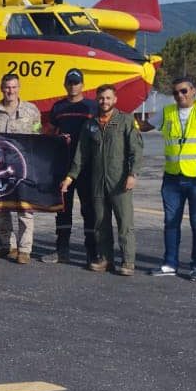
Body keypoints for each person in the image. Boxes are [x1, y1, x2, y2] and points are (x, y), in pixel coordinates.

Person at [60, 83, 142, 275]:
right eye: (101, 98)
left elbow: (136, 150)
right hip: (97, 181)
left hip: (120, 180)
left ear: (115, 99)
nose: (104, 101)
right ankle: (105, 259)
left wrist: (132, 174)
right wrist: (70, 177)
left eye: (108, 98)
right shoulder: (90, 124)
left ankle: (128, 262)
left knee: (124, 223)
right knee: (100, 222)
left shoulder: (126, 121)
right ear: (97, 100)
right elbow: (81, 154)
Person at [143, 76, 196, 280]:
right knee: (171, 223)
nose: (180, 95)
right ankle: (169, 264)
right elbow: (144, 126)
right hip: (172, 177)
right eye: (175, 93)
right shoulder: (167, 112)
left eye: (183, 91)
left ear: (193, 90)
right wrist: (121, 115)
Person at [42, 69, 98, 265]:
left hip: (86, 166)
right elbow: (50, 131)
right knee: (63, 209)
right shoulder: (58, 107)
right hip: (63, 166)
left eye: (76, 83)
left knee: (89, 210)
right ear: (65, 85)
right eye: (70, 83)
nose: (73, 86)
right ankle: (61, 250)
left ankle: (92, 252)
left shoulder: (92, 106)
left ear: (83, 85)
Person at [0, 73, 42, 264]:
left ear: (19, 88)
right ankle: (8, 246)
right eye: (7, 87)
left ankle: (25, 249)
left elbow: (38, 137)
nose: (10, 91)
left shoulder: (31, 111)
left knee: (25, 210)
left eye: (14, 87)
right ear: (2, 89)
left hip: (23, 168)